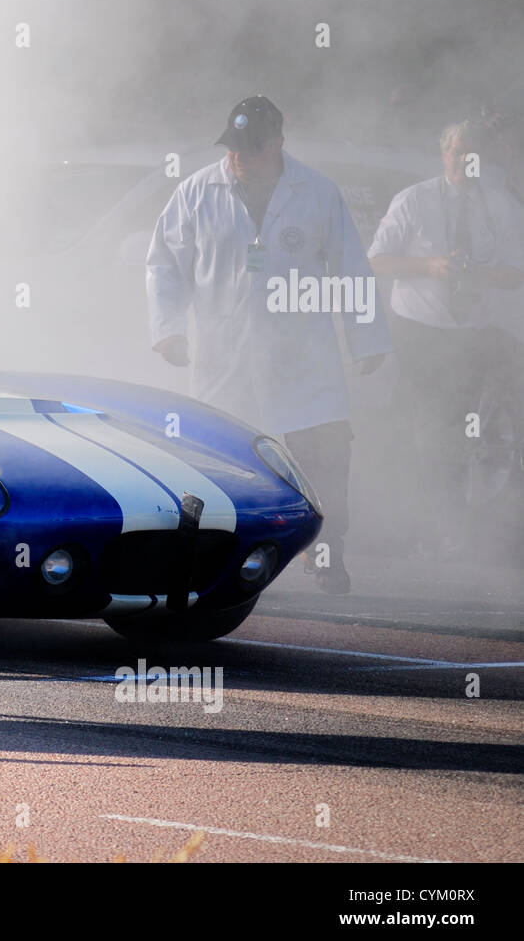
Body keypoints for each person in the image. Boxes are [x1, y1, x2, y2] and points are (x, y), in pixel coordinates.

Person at [145, 96, 392, 594]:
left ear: (278, 143)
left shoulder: (317, 192)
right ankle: (205, 558)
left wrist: (366, 337)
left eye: (252, 148)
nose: (240, 157)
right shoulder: (196, 192)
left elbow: (350, 268)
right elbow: (163, 264)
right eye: (234, 148)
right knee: (213, 459)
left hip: (304, 359)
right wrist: (168, 327)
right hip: (224, 358)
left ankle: (325, 554)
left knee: (323, 455)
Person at [368, 118, 524, 557]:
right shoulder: (414, 200)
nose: (464, 160)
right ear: (444, 155)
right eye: (457, 152)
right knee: (419, 425)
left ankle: (448, 527)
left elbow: (516, 273)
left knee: (458, 430)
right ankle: (405, 525)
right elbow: (376, 260)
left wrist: (478, 275)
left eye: (472, 153)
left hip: (470, 335)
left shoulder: (502, 205)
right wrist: (430, 267)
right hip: (418, 331)